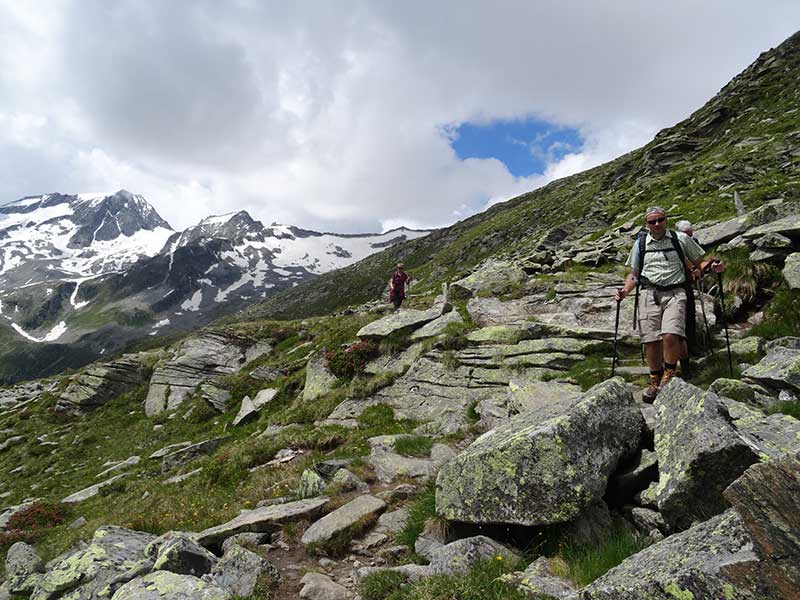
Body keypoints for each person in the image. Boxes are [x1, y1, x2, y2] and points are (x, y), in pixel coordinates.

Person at [614, 207, 724, 402]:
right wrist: (624, 292)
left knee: (671, 334)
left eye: (660, 220)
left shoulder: (680, 239)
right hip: (648, 293)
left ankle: (669, 375)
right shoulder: (640, 243)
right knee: (650, 339)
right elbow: (634, 274)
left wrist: (713, 267)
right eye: (652, 222)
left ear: (666, 220)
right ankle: (654, 378)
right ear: (646, 225)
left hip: (676, 292)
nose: (657, 224)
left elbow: (699, 262)